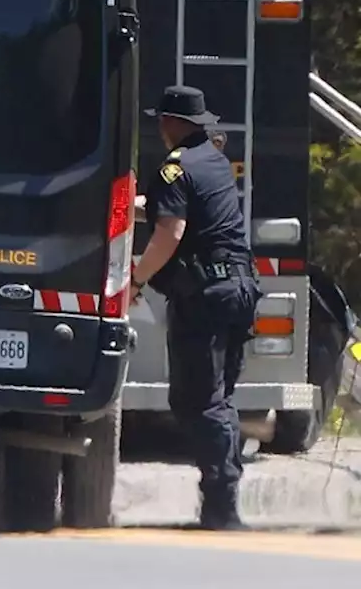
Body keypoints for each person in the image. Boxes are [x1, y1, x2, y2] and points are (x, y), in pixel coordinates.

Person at [128, 84, 262, 530]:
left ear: (170, 123)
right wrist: (127, 207)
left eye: (161, 121)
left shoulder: (174, 169)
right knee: (217, 398)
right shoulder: (213, 161)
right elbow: (173, 210)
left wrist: (136, 279)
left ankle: (222, 507)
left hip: (206, 296)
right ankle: (222, 495)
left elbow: (171, 231)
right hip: (239, 290)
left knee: (201, 402)